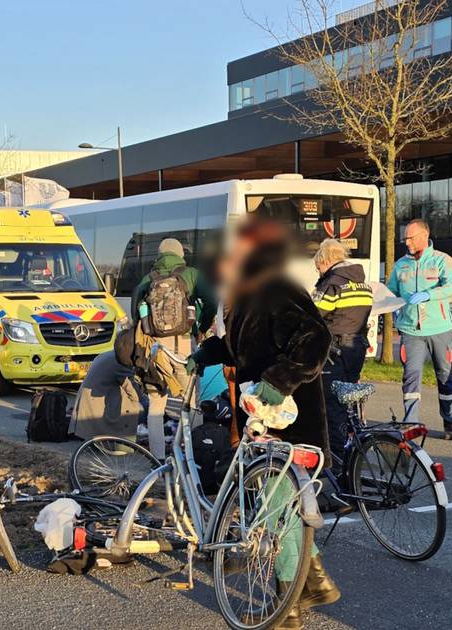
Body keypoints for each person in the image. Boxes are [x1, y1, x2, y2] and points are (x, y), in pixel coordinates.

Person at [189, 217, 338, 629]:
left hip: (288, 417)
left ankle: (284, 607)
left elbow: (315, 339)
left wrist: (279, 381)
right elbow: (249, 343)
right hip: (262, 417)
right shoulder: (246, 294)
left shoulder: (276, 289)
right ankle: (315, 583)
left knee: (275, 514)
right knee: (282, 508)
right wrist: (210, 352)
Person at [130, 238, 217, 458]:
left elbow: (135, 313)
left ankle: (157, 458)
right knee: (192, 402)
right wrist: (201, 327)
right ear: (180, 255)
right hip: (186, 346)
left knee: (156, 405)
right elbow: (212, 302)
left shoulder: (148, 279)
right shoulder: (191, 275)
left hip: (156, 351)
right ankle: (194, 456)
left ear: (159, 255)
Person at [385, 219, 452, 440]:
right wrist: (387, 304)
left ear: (423, 236)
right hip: (410, 331)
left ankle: (449, 422)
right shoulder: (401, 265)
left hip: (440, 329)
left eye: (410, 237)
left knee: (445, 376)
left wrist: (429, 294)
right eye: (405, 238)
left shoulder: (441, 260)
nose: (406, 242)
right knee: (411, 378)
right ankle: (411, 425)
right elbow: (391, 291)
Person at [311, 238, 373, 475]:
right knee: (347, 405)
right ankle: (352, 458)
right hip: (355, 347)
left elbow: (313, 315)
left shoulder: (333, 284)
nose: (318, 269)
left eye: (318, 265)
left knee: (331, 407)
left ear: (326, 260)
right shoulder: (362, 284)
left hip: (334, 350)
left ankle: (336, 466)